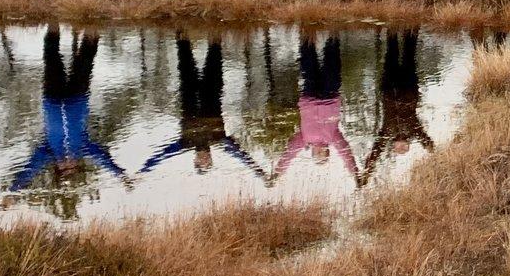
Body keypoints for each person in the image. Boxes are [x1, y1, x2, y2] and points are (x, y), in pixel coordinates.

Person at [4, 28, 127, 207]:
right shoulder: (84, 147)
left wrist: (13, 191)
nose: (69, 164)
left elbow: (30, 170)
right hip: (78, 97)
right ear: (77, 164)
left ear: (58, 167)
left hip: (53, 98)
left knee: (52, 59)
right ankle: (93, 28)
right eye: (73, 167)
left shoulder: (47, 152)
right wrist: (120, 175)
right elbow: (103, 159)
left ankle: (53, 27)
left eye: (64, 169)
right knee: (85, 62)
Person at [138, 37, 267, 182]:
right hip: (211, 93)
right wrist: (259, 172)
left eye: (201, 162)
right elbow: (241, 155)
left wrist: (142, 171)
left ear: (195, 160)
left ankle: (182, 28)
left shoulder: (186, 142)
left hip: (189, 94)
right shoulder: (219, 140)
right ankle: (215, 30)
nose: (204, 158)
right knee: (215, 53)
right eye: (207, 161)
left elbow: (162, 155)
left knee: (184, 53)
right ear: (211, 158)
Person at [274, 34, 358, 183]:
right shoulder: (333, 139)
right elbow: (346, 153)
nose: (320, 152)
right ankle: (332, 34)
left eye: (317, 154)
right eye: (323, 154)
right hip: (329, 96)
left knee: (308, 63)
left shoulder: (304, 140)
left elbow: (289, 154)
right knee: (332, 63)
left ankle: (306, 31)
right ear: (327, 152)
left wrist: (278, 172)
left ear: (312, 153)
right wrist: (355, 174)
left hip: (310, 96)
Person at [361, 29, 434, 184]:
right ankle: (412, 29)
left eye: (398, 149)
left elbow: (377, 150)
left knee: (391, 55)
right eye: (404, 148)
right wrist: (436, 154)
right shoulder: (414, 131)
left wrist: (368, 171)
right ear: (408, 144)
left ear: (394, 145)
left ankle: (393, 30)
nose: (401, 147)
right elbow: (426, 141)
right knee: (409, 56)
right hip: (408, 88)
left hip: (389, 87)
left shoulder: (387, 133)